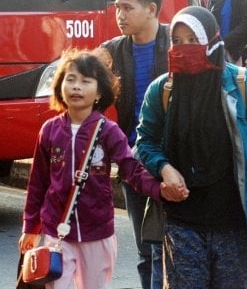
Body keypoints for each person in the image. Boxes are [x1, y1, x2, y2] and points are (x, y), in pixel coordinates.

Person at [135, 6, 247, 287]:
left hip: (235, 222)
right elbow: (145, 141)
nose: (184, 48)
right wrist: (164, 168)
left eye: (193, 39)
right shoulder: (162, 90)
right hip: (181, 223)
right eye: (177, 41)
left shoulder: (244, 85)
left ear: (212, 40)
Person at [19, 49, 186, 289]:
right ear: (59, 86)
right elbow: (37, 183)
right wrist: (30, 227)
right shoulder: (49, 130)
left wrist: (160, 189)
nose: (77, 87)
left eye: (86, 81)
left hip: (97, 233)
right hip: (56, 231)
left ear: (99, 92)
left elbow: (131, 170)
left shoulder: (108, 131)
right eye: (70, 79)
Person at [97, 0, 169, 289]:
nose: (120, 15)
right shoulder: (111, 50)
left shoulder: (175, 44)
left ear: (151, 9)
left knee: (174, 246)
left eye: (127, 7)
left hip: (174, 161)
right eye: (117, 7)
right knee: (145, 247)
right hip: (133, 162)